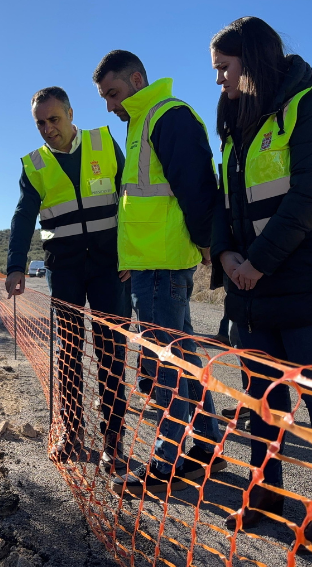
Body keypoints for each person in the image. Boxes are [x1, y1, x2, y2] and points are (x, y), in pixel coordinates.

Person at [209, 17, 312, 551]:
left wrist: (257, 262)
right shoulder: (236, 119)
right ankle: (265, 491)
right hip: (252, 285)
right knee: (260, 397)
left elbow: (309, 196)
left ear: (251, 60)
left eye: (224, 68)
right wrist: (225, 253)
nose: (219, 80)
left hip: (309, 281)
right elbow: (225, 199)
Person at [92, 50, 226, 496]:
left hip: (162, 264)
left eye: (113, 93)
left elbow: (197, 187)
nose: (109, 105)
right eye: (104, 97)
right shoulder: (141, 122)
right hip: (150, 263)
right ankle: (206, 443)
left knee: (164, 361)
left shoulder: (168, 116)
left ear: (136, 80)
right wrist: (128, 259)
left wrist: (206, 243)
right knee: (182, 355)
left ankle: (168, 460)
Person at [6, 86, 130, 473]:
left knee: (111, 354)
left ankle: (113, 443)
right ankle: (71, 433)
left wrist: (133, 253)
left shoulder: (103, 143)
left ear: (71, 114)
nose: (48, 129)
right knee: (69, 353)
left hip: (111, 267)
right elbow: (23, 217)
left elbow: (130, 197)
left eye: (54, 119)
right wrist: (15, 266)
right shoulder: (34, 165)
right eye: (40, 123)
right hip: (65, 270)